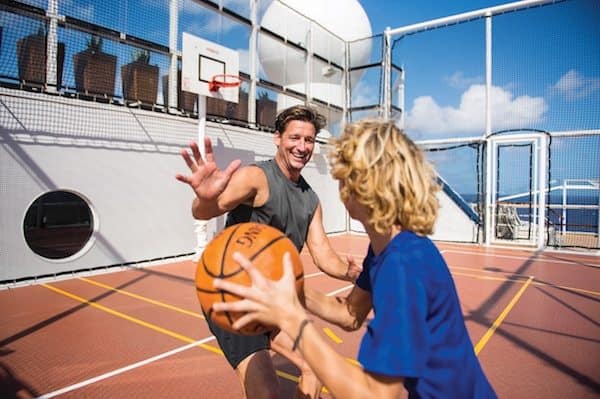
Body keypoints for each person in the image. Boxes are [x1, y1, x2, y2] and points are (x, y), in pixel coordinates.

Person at [212, 119, 498, 398]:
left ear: (362, 185)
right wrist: (289, 291)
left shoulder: (403, 266)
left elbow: (377, 395)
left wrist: (294, 319)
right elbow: (349, 314)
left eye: (343, 177)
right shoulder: (389, 250)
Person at [176, 105, 361, 399]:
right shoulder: (256, 178)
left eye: (309, 140)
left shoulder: (310, 199)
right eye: (295, 138)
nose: (302, 147)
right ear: (278, 138)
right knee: (267, 392)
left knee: (315, 368)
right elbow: (207, 210)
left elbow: (323, 254)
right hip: (232, 296)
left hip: (273, 299)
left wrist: (351, 272)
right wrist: (204, 199)